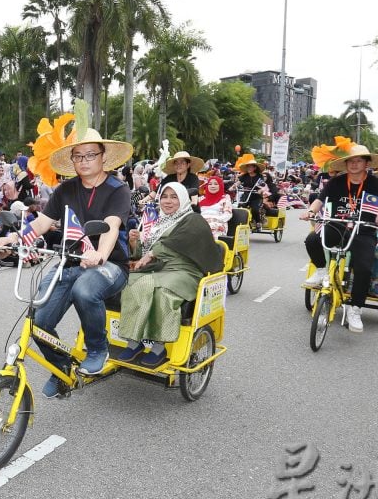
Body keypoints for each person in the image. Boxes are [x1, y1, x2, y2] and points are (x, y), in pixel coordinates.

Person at [23, 127, 132, 397]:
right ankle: (61, 368)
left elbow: (112, 226)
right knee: (38, 321)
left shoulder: (118, 189)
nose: (83, 161)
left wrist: (101, 255)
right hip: (70, 262)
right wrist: (15, 238)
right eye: (77, 156)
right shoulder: (66, 189)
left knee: (85, 288)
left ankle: (98, 348)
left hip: (111, 266)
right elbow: (42, 223)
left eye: (90, 155)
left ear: (103, 157)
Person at [115, 183, 223, 367]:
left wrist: (153, 252)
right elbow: (142, 255)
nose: (168, 201)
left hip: (185, 270)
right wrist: (135, 243)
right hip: (158, 268)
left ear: (183, 199)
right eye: (165, 196)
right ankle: (134, 341)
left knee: (161, 290)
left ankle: (159, 346)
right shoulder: (158, 222)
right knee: (131, 281)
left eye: (174, 197)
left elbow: (178, 240)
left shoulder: (193, 219)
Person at [301, 142, 378, 333]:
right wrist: (310, 211)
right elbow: (319, 199)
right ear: (346, 164)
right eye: (351, 161)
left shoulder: (376, 184)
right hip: (336, 225)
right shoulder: (336, 182)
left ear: (367, 163)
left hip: (363, 230)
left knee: (364, 267)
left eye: (359, 161)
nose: (355, 164)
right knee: (312, 240)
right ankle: (322, 271)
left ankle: (355, 309)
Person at [232, 154, 268, 230]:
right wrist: (232, 187)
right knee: (240, 208)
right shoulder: (244, 176)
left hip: (256, 196)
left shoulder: (259, 176)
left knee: (255, 209)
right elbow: (238, 182)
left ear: (254, 167)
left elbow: (262, 185)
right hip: (246, 195)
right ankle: (238, 223)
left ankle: (258, 222)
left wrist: (260, 190)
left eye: (250, 166)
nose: (249, 168)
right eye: (248, 166)